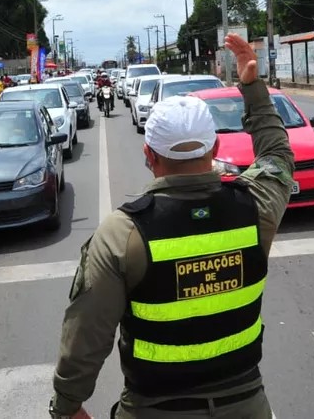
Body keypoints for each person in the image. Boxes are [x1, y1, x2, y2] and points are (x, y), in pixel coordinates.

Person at [49, 33, 294, 419]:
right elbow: (278, 154)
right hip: (247, 404)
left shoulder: (121, 233)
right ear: (214, 150)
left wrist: (67, 406)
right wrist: (252, 88)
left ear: (149, 155)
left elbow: (86, 337)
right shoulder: (256, 206)